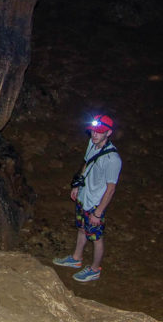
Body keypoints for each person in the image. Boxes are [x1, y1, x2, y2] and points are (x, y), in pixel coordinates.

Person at [53, 114, 122, 282]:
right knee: (82, 228)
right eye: (93, 131)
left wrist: (98, 213)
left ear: (109, 133)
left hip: (95, 204)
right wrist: (78, 186)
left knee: (96, 238)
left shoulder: (112, 159)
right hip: (84, 197)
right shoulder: (92, 143)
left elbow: (111, 189)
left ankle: (94, 269)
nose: (95, 134)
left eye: (99, 132)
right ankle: (76, 259)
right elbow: (86, 163)